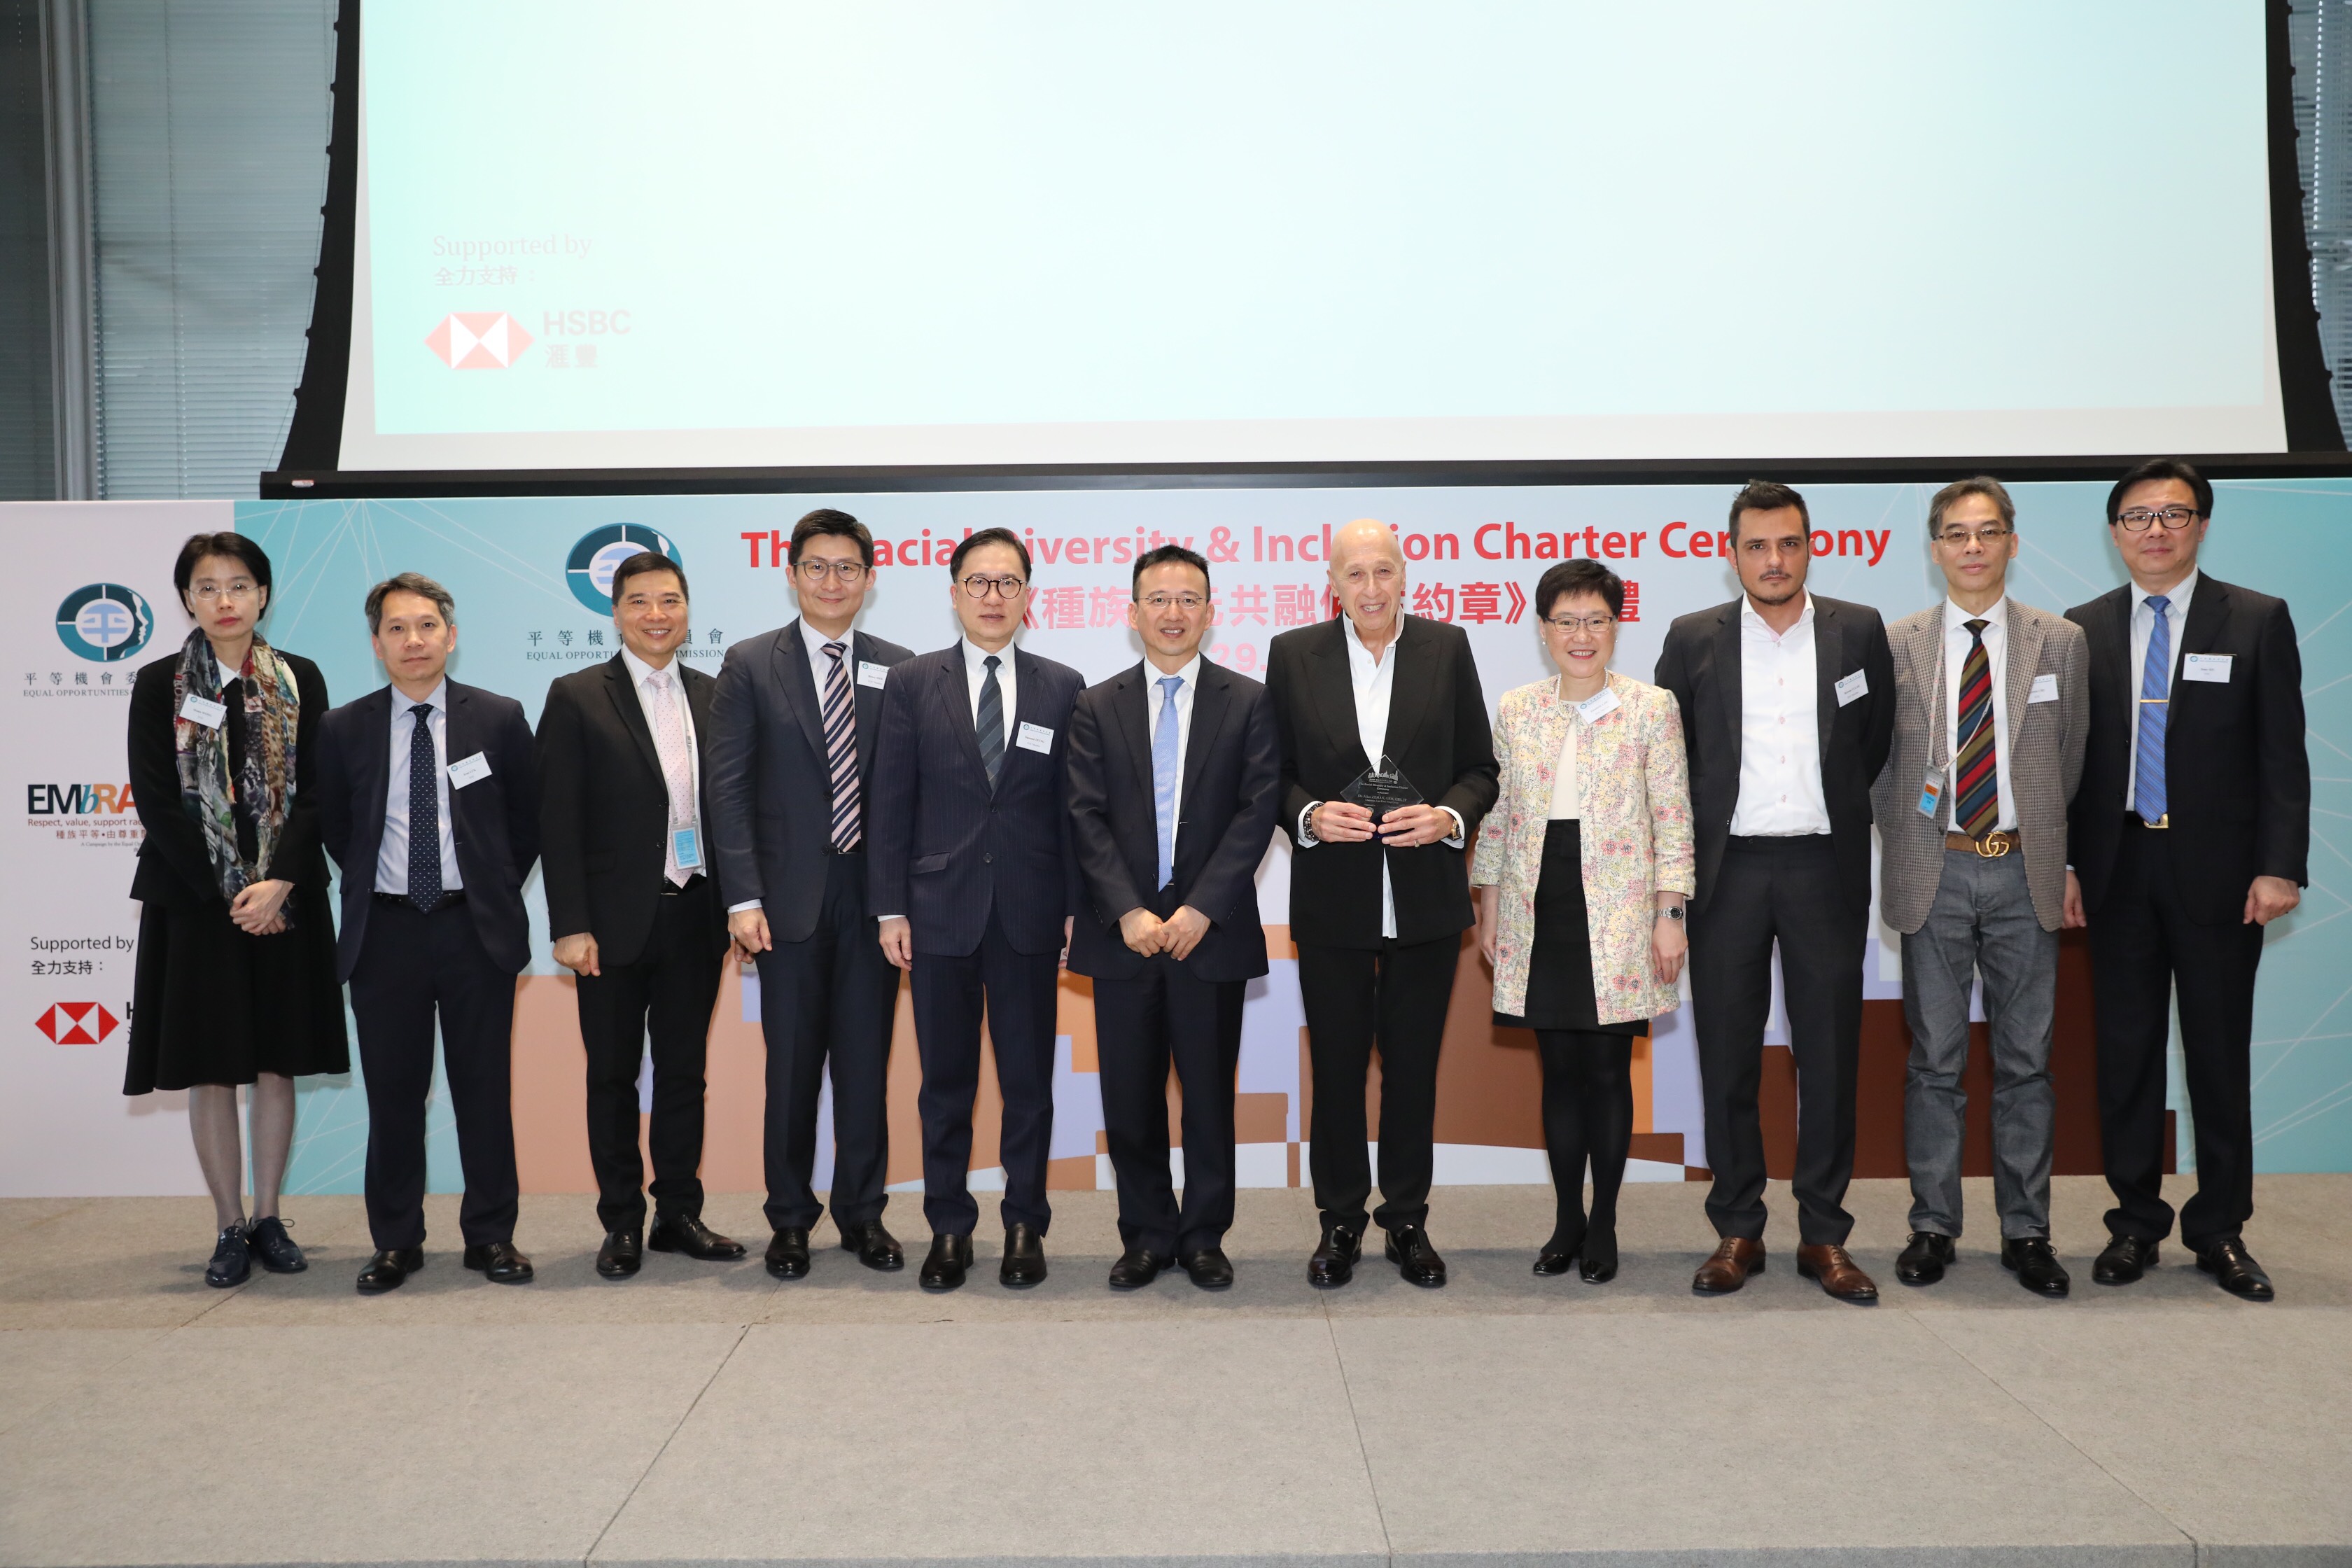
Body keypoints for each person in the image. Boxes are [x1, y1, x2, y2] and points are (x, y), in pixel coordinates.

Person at [2064, 459, 2309, 1301]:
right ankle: (2135, 1222)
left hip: (2219, 873)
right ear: (2115, 532)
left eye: (2173, 514)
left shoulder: (2256, 619)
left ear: (2202, 524)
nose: (2155, 530)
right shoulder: (2081, 627)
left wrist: (2280, 865)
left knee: (2216, 1054)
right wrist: (2064, 864)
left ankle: (2220, 1227)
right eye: (2137, 517)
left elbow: (2283, 755)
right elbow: (2067, 766)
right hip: (2117, 869)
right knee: (2125, 1056)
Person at [1655, 481, 1894, 1303]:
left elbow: (1872, 744)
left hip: (1824, 868)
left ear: (1809, 546)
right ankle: (1738, 1226)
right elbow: (1671, 765)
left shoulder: (1858, 629)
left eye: (1789, 543)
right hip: (1729, 873)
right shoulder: (1692, 640)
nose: (1774, 560)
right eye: (1757, 546)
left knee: (1829, 1053)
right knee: (1728, 1054)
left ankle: (1824, 1233)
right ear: (1732, 554)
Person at [1264, 518, 1498, 1289]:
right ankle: (1338, 1221)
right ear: (1331, 582)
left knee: (1412, 1070)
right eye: (1354, 574)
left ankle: (1406, 1220)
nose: (1370, 588)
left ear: (1407, 577)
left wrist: (1448, 818)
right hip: (1334, 898)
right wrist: (1307, 816)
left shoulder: (1447, 646)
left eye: (1383, 572)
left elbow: (1480, 767)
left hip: (1424, 899)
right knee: (1335, 1069)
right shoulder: (1294, 654)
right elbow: (1274, 770)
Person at [1872, 479, 2087, 1297]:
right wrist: (1917, 836)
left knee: (2027, 1062)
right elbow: (1879, 769)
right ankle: (1933, 1225)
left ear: (2012, 543)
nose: (1972, 546)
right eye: (1956, 533)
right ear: (1934, 548)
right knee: (1934, 1060)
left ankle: (2027, 1230)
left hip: (2024, 867)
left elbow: (2072, 759)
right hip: (1936, 866)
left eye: (1988, 531)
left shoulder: (2059, 642)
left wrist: (2049, 847)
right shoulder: (1896, 644)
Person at [124, 533, 346, 1288]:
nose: (226, 600)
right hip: (196, 903)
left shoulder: (301, 678)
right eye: (209, 586)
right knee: (212, 1069)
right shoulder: (159, 683)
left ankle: (270, 1214)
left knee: (276, 1062)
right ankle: (227, 1223)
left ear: (264, 595)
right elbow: (157, 801)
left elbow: (319, 792)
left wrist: (278, 884)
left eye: (240, 584)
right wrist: (230, 894)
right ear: (187, 598)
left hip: (285, 899)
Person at [867, 526, 1084, 1292]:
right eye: (979, 582)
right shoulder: (912, 681)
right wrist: (890, 907)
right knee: (945, 1084)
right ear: (954, 591)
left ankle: (1026, 1223)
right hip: (937, 914)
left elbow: (1073, 810)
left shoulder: (1063, 684)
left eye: (1009, 583)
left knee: (1028, 1082)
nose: (994, 597)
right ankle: (950, 1228)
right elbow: (889, 802)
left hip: (1028, 911)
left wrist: (1073, 908)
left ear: (1030, 595)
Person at [1066, 544, 1282, 1292]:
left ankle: (1203, 1236)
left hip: (1208, 934)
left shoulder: (1248, 701)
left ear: (1212, 613)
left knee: (1208, 1098)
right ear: (1132, 613)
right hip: (1123, 936)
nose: (1173, 612)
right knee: (1129, 1098)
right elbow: (1084, 816)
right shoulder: (1095, 704)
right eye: (1157, 598)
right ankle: (1146, 1234)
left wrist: (1199, 908)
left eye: (1189, 598)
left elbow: (1258, 814)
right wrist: (1127, 909)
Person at [318, 573, 541, 1294]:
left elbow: (526, 824)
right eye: (396, 628)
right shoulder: (344, 725)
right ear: (377, 642)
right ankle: (395, 1241)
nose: (413, 641)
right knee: (393, 1094)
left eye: (426, 626)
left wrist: (490, 886)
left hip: (474, 928)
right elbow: (337, 828)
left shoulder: (500, 717)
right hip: (385, 934)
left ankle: (492, 1235)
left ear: (452, 633)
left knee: (484, 1088)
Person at [708, 509, 915, 1280]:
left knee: (866, 1065)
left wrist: (903, 899)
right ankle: (790, 1218)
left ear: (870, 578)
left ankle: (863, 1213)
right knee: (791, 1069)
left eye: (849, 568)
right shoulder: (750, 663)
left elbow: (906, 792)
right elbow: (726, 790)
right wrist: (742, 897)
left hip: (873, 901)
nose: (834, 582)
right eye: (818, 567)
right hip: (784, 905)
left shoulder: (902, 666)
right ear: (791, 573)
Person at [1472, 559, 1692, 1283]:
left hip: (1622, 910)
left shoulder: (1650, 706)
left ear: (1615, 626)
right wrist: (1492, 907)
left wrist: (1669, 913)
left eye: (1595, 618)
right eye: (1566, 620)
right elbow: (1500, 818)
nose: (1581, 633)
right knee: (1557, 1070)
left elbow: (1672, 816)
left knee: (1606, 1069)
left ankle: (1605, 1222)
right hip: (1541, 905)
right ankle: (1567, 1216)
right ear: (1543, 630)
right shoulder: (1517, 708)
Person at [537, 552, 744, 1279]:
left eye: (670, 599)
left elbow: (735, 811)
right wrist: (570, 923)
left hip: (696, 913)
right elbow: (555, 819)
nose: (656, 613)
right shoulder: (576, 694)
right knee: (613, 1076)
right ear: (616, 612)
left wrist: (741, 903)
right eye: (639, 601)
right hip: (611, 923)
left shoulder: (718, 692)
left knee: (686, 1074)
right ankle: (622, 1220)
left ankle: (678, 1212)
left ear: (688, 609)